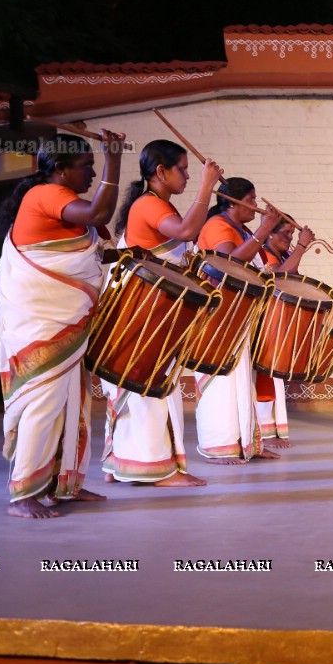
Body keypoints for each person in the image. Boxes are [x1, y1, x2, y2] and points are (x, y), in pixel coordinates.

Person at [0, 132, 122, 518]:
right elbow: (99, 214)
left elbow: (83, 250)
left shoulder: (64, 204)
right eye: (86, 166)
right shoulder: (45, 194)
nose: (92, 172)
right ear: (60, 170)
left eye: (95, 166)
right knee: (44, 405)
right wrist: (114, 159)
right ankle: (23, 494)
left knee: (72, 403)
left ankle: (66, 483)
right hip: (41, 324)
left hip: (64, 323)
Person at [101, 139, 221, 487]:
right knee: (148, 387)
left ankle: (122, 463)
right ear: (160, 172)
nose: (185, 175)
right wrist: (206, 185)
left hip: (150, 307)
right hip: (144, 307)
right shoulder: (148, 205)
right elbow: (186, 232)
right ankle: (155, 470)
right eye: (182, 169)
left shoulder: (155, 205)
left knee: (139, 386)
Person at [194, 177, 282, 462]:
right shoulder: (217, 225)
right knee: (220, 381)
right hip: (217, 314)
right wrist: (265, 229)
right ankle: (218, 446)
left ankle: (246, 442)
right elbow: (227, 265)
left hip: (237, 313)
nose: (256, 206)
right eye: (252, 199)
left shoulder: (240, 229)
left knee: (241, 380)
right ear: (233, 202)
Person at [255, 218, 315, 447]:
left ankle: (270, 430)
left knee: (272, 377)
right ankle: (263, 431)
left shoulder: (280, 255)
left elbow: (295, 280)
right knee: (263, 377)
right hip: (264, 321)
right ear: (269, 233)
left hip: (278, 321)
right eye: (286, 233)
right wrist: (301, 247)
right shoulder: (261, 253)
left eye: (292, 234)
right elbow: (277, 278)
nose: (290, 238)